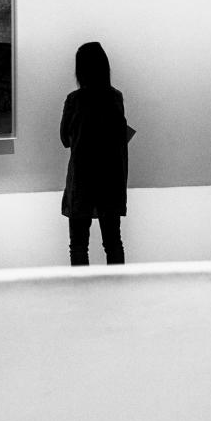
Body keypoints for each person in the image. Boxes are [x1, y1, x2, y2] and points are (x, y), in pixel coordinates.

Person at [61, 41, 131, 266]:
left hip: (82, 180)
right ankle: (118, 293)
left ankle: (82, 295)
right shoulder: (115, 97)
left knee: (79, 245)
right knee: (113, 243)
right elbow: (120, 135)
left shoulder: (75, 100)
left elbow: (64, 138)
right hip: (110, 179)